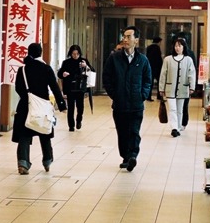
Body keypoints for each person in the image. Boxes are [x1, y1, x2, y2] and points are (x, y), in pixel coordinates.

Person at [102, 25, 152, 172]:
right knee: (122, 132)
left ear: (136, 40)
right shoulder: (114, 58)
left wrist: (143, 95)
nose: (125, 39)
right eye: (124, 36)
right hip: (120, 104)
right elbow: (107, 78)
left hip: (136, 104)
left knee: (134, 132)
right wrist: (114, 94)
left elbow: (148, 80)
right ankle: (125, 156)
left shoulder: (142, 60)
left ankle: (133, 156)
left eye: (128, 37)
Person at [12, 42, 65, 175]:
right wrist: (62, 104)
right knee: (44, 132)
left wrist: (27, 97)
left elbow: (18, 88)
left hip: (26, 105)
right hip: (42, 106)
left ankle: (23, 163)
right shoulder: (46, 68)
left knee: (24, 134)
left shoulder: (22, 70)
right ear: (40, 53)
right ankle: (47, 161)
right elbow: (54, 87)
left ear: (28, 53)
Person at [158, 37, 197, 137]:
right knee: (172, 109)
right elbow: (163, 74)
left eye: (179, 46)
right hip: (170, 89)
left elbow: (191, 74)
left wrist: (192, 86)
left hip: (183, 89)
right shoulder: (168, 59)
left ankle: (178, 127)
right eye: (176, 46)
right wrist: (161, 88)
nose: (177, 48)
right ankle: (174, 128)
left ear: (184, 47)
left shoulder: (188, 60)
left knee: (180, 110)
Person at [57, 44, 93, 131]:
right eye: (73, 54)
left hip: (80, 87)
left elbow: (92, 71)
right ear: (70, 53)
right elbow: (60, 73)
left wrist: (86, 66)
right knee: (71, 107)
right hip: (70, 87)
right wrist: (63, 74)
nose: (75, 56)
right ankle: (71, 125)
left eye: (77, 54)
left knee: (80, 106)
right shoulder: (66, 62)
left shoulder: (83, 61)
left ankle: (79, 120)